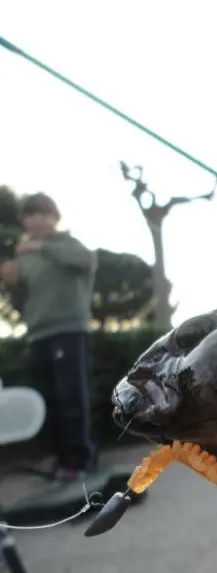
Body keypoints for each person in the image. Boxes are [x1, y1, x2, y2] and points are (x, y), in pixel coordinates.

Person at [0, 192, 99, 483]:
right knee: (47, 400)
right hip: (37, 334)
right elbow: (22, 301)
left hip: (69, 330)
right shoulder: (26, 258)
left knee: (72, 398)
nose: (38, 220)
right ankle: (61, 459)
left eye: (44, 214)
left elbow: (85, 262)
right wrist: (11, 281)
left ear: (55, 218)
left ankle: (81, 460)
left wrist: (41, 247)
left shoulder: (67, 244)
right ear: (24, 221)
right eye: (31, 215)